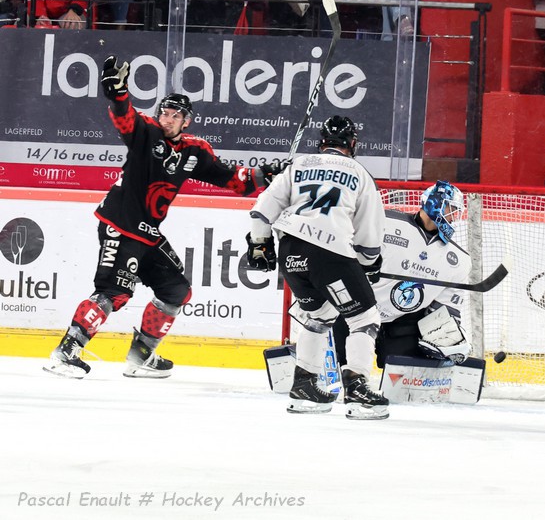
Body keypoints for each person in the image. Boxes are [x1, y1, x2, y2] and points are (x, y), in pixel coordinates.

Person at [44, 55, 282, 380]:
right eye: (164, 113)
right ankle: (66, 352)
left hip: (147, 233)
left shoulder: (194, 151)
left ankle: (141, 355)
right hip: (120, 224)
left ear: (187, 121)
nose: (167, 119)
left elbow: (233, 180)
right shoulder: (147, 133)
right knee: (115, 292)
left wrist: (266, 174)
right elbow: (124, 117)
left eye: (175, 115)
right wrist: (117, 93)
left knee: (176, 290)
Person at [247, 115, 389, 420]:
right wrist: (368, 264)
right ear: (352, 144)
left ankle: (304, 385)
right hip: (329, 252)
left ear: (321, 142)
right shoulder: (360, 173)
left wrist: (260, 246)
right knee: (366, 317)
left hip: (291, 252)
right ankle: (358, 388)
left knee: (320, 314)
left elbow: (261, 211)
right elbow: (369, 236)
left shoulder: (298, 165)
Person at [331, 180, 472, 372]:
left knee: (406, 374)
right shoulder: (385, 221)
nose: (454, 218)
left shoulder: (459, 260)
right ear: (435, 203)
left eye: (456, 212)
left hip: (401, 322)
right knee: (338, 367)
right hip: (354, 310)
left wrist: (449, 336)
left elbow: (445, 309)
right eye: (450, 209)